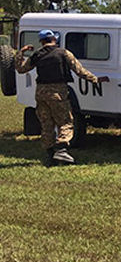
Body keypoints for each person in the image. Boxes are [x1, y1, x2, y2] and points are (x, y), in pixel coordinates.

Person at [15, 29, 109, 166]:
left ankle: (50, 155)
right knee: (65, 121)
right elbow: (79, 70)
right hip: (58, 92)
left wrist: (21, 52)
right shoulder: (63, 53)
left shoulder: (37, 55)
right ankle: (61, 149)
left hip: (41, 92)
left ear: (41, 41)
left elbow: (21, 69)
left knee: (47, 124)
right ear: (54, 39)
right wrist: (95, 80)